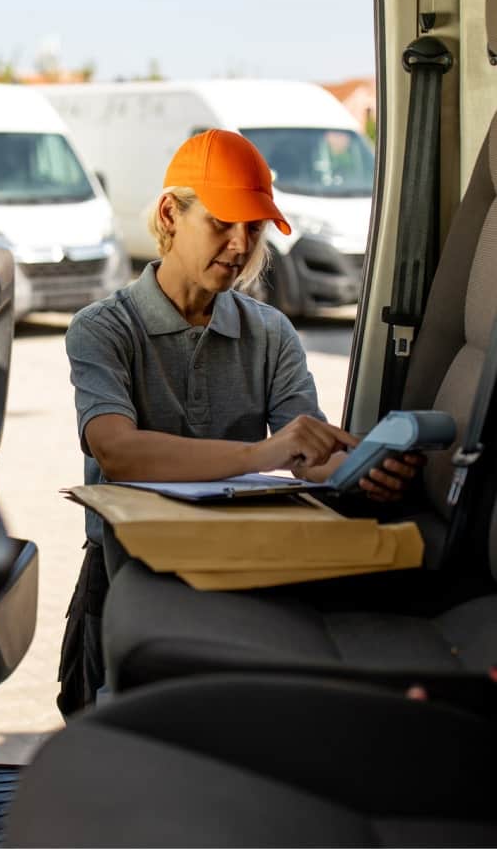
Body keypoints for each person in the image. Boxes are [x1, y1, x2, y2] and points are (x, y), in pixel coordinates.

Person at [56, 129, 422, 714]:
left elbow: (309, 447)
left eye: (253, 228)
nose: (239, 244)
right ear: (170, 214)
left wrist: (361, 465)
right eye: (223, 223)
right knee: (113, 730)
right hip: (128, 572)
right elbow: (116, 451)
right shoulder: (103, 329)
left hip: (241, 565)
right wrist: (262, 455)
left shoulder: (270, 332)